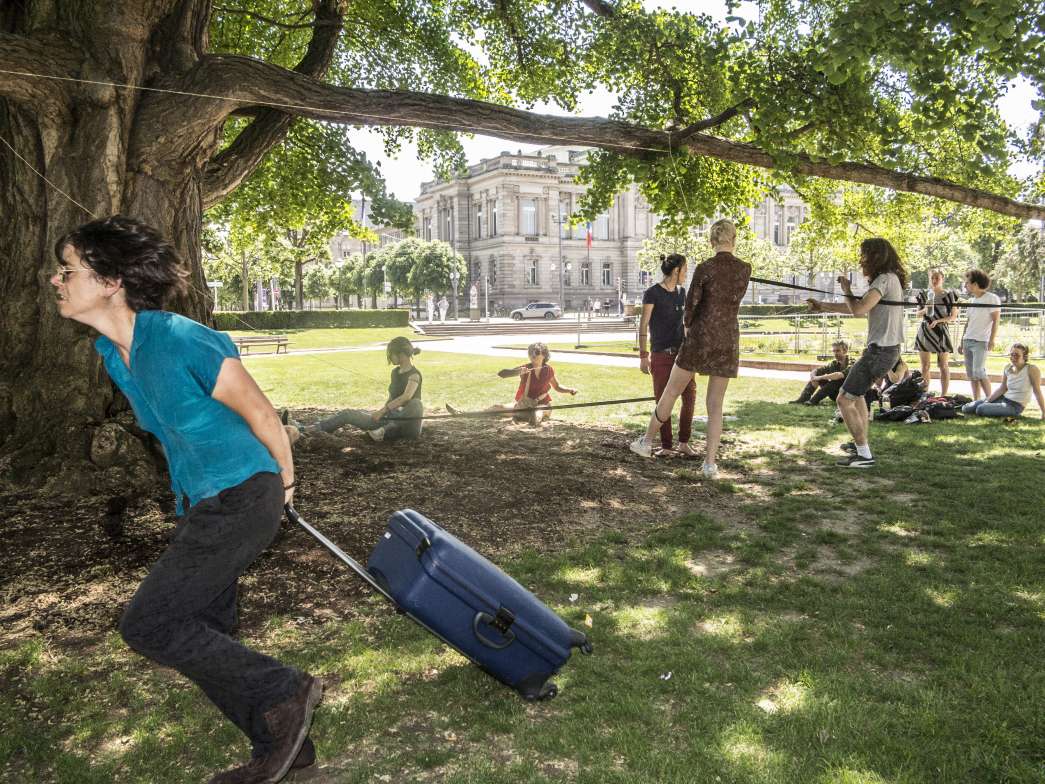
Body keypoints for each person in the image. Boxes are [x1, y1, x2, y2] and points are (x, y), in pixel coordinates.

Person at [51, 216, 322, 784]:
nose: (56, 280)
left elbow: (261, 414)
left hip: (244, 492)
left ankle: (284, 688)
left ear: (110, 281)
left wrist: (286, 486)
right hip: (204, 504)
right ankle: (282, 747)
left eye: (67, 270)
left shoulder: (177, 337)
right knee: (206, 630)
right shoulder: (115, 355)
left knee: (148, 624)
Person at [630, 219, 751, 479]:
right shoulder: (745, 269)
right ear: (734, 239)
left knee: (671, 391)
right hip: (727, 339)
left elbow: (691, 306)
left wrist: (689, 325)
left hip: (700, 338)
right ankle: (710, 464)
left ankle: (646, 442)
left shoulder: (705, 268)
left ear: (712, 241)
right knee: (715, 405)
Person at [808, 237, 907, 468]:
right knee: (858, 396)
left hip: (880, 351)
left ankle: (864, 455)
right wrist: (823, 306)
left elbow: (859, 309)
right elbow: (857, 306)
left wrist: (846, 289)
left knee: (844, 399)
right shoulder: (889, 279)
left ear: (876, 257)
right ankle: (861, 446)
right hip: (884, 350)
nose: (861, 260)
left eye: (864, 255)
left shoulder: (884, 279)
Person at [287, 336, 423, 443]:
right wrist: (381, 414)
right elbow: (392, 397)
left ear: (401, 354)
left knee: (416, 404)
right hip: (388, 419)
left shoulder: (414, 375)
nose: (389, 356)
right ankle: (303, 429)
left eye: (391, 353)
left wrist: (382, 411)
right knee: (348, 414)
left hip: (407, 427)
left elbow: (406, 397)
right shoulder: (395, 372)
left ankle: (384, 431)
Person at [638, 253, 698, 456]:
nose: (686, 275)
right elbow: (643, 325)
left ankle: (683, 442)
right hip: (661, 355)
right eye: (685, 270)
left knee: (689, 397)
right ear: (676, 271)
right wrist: (643, 355)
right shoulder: (652, 293)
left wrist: (692, 349)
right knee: (663, 399)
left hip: (682, 356)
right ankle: (666, 446)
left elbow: (686, 324)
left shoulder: (682, 293)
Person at [445, 342, 577, 425]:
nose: (533, 355)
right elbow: (502, 374)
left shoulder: (548, 370)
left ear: (544, 355)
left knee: (537, 413)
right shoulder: (525, 367)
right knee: (495, 408)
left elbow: (557, 387)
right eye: (530, 352)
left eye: (536, 352)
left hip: (542, 405)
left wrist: (570, 390)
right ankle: (463, 414)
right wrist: (518, 372)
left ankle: (533, 422)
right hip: (524, 404)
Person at [962, 343, 1043, 419]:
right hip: (1003, 398)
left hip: (1015, 406)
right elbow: (1002, 388)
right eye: (1012, 354)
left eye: (1017, 355)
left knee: (980, 409)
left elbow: (1037, 391)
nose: (1013, 357)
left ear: (1024, 357)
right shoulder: (1008, 368)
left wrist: (1044, 411)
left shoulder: (1031, 369)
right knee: (966, 408)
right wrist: (988, 401)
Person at [958, 269, 1001, 401]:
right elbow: (968, 322)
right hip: (967, 340)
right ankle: (976, 400)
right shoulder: (971, 301)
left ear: (975, 284)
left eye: (967, 282)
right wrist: (961, 341)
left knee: (979, 371)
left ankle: (990, 400)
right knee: (971, 374)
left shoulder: (992, 298)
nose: (965, 285)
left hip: (981, 341)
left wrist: (992, 339)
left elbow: (996, 320)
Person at [914, 269, 958, 395]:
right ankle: (924, 394)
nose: (934, 280)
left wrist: (938, 321)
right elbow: (917, 314)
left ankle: (944, 395)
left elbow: (953, 316)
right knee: (925, 366)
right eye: (932, 278)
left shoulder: (950, 295)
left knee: (943, 365)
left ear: (942, 279)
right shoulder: (923, 294)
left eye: (937, 278)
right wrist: (925, 309)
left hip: (942, 332)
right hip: (925, 330)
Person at [790, 340, 852, 406]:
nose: (835, 353)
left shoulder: (852, 363)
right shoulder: (834, 363)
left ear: (845, 351)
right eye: (834, 351)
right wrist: (813, 377)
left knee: (836, 380)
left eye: (838, 351)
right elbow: (817, 370)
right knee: (818, 375)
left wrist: (819, 377)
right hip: (835, 394)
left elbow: (839, 375)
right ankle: (803, 398)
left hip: (847, 396)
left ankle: (813, 400)